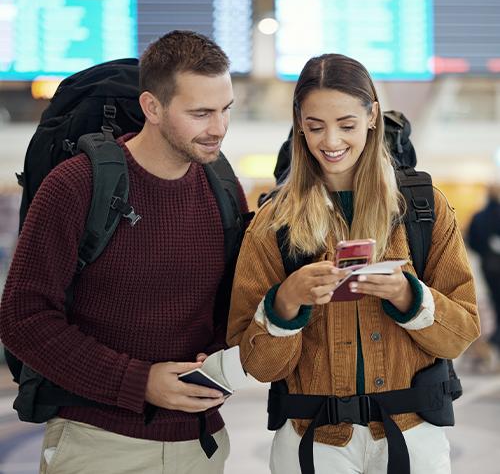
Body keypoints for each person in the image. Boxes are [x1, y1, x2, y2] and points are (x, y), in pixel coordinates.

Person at [0, 30, 247, 474]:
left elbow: (224, 308)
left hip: (200, 444)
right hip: (97, 443)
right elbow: (22, 317)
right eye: (200, 113)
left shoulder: (223, 189)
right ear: (152, 107)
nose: (219, 128)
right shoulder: (77, 185)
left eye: (226, 109)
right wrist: (139, 382)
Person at [227, 53, 480, 474]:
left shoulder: (422, 207)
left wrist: (409, 296)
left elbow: (462, 333)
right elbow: (257, 365)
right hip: (313, 441)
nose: (331, 141)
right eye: (314, 126)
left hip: (411, 436)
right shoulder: (273, 223)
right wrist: (284, 305)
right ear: (298, 123)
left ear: (372, 116)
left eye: (346, 124)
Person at [467, 181, 500, 352]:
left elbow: (471, 241)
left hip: (488, 265)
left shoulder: (479, 216)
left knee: (494, 298)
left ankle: (496, 334)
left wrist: (485, 252)